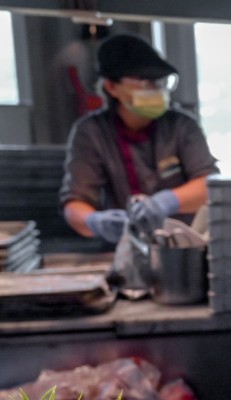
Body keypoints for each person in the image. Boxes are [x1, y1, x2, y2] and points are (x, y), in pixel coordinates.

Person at [60, 33, 216, 243]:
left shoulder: (181, 126)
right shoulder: (92, 132)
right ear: (111, 87)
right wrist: (95, 221)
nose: (154, 88)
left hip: (186, 245)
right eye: (143, 81)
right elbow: (75, 203)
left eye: (159, 81)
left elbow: (209, 185)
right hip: (126, 245)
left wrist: (166, 202)